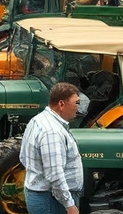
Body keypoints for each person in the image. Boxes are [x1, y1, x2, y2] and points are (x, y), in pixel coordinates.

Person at [20, 82, 84, 214]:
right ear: (61, 104)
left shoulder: (37, 120)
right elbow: (55, 175)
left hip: (46, 197)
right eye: (76, 103)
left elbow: (23, 157)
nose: (78, 108)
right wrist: (69, 205)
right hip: (53, 201)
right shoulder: (52, 132)